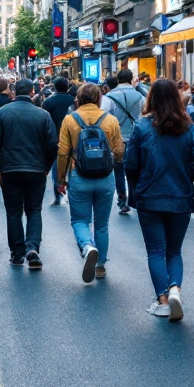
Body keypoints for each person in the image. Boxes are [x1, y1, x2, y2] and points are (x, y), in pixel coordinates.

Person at [125, 79, 194, 320]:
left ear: (151, 99)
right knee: (174, 251)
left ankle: (162, 300)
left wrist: (139, 184)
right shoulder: (189, 127)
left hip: (150, 196)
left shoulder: (141, 127)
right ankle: (175, 290)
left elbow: (131, 165)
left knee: (156, 251)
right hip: (180, 196)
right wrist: (182, 176)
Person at [56, 82, 123, 283]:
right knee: (101, 224)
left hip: (79, 176)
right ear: (98, 98)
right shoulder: (110, 120)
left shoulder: (70, 119)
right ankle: (101, 265)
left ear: (79, 98)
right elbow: (119, 151)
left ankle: (87, 246)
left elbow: (62, 152)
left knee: (79, 220)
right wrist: (111, 157)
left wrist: (61, 179)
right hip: (105, 178)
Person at [0, 79, 58, 269]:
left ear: (13, 92)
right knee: (34, 210)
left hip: (10, 168)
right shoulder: (43, 115)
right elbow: (52, 144)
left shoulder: (2, 113)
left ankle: (17, 253)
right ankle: (32, 247)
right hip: (36, 168)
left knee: (13, 212)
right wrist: (47, 166)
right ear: (32, 91)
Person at [101, 69, 142, 215]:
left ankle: (122, 199)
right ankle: (134, 197)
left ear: (118, 80)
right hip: (136, 138)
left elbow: (103, 116)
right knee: (135, 168)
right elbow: (145, 115)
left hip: (116, 139)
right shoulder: (140, 96)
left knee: (119, 169)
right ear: (131, 79)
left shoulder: (109, 97)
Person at [42, 77, 77, 205]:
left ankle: (58, 194)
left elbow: (44, 121)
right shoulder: (73, 100)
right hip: (73, 137)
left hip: (55, 138)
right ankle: (72, 192)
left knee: (57, 166)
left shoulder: (48, 101)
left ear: (54, 87)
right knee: (73, 166)